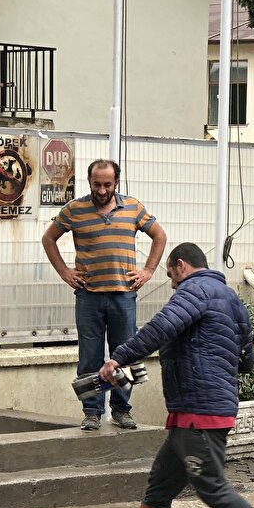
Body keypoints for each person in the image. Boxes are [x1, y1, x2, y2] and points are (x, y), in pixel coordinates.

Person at [95, 242, 254, 508]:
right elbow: (247, 360)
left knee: (212, 487)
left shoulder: (195, 290)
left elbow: (161, 327)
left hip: (199, 410)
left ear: (181, 266)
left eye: (171, 276)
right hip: (200, 409)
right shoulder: (231, 299)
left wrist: (119, 358)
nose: (172, 285)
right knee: (161, 483)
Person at [41, 159, 167, 431]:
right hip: (89, 296)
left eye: (107, 185)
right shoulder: (74, 209)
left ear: (116, 182)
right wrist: (64, 272)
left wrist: (148, 271)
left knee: (126, 354)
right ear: (89, 182)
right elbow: (48, 239)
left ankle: (122, 410)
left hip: (124, 296)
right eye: (96, 184)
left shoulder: (132, 207)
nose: (101, 190)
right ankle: (92, 412)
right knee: (89, 357)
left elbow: (159, 236)